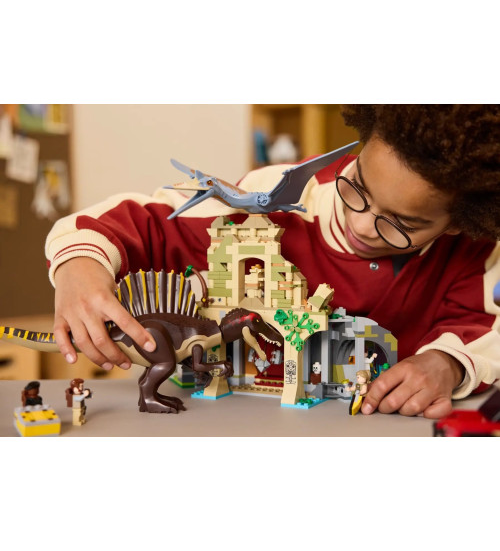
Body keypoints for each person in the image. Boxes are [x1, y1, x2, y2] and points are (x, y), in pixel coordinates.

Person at [45, 105, 500, 419]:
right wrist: (79, 265)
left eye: (402, 224)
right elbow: (135, 221)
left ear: (458, 223)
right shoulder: (274, 198)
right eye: (358, 187)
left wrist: (448, 363)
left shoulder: (473, 249)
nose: (362, 226)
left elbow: (483, 325)